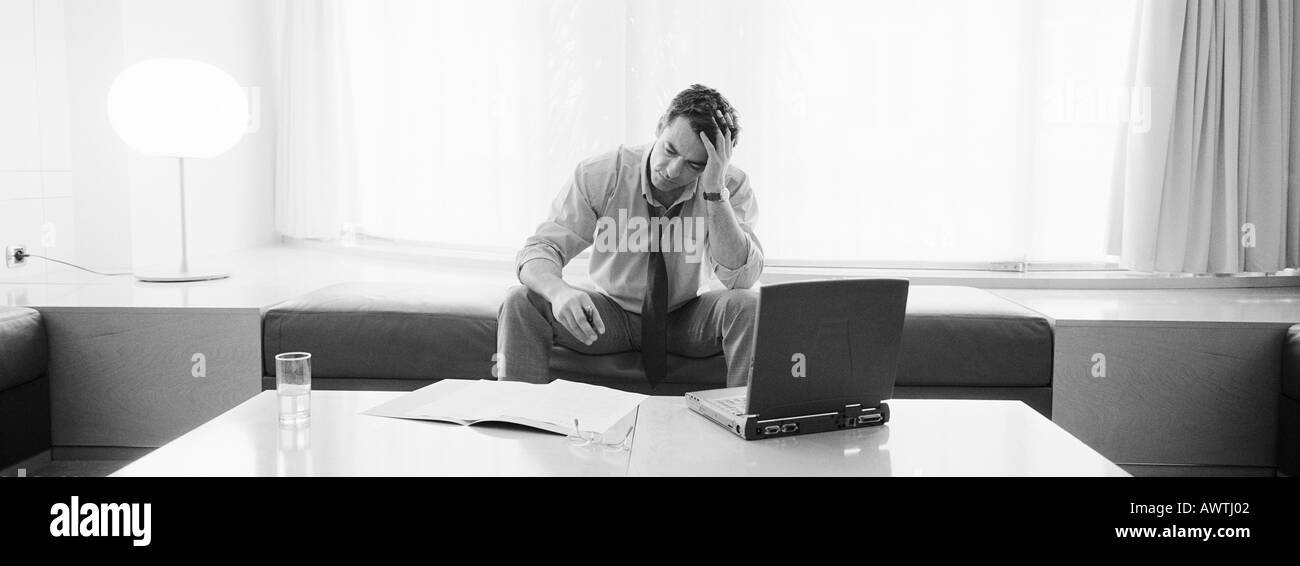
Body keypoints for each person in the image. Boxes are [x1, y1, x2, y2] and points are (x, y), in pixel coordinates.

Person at [497, 84, 763, 389]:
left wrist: (715, 192)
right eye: (670, 150)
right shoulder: (602, 174)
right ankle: (518, 416)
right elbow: (540, 249)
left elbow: (740, 279)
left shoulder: (730, 186)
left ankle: (743, 426)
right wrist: (559, 292)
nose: (674, 171)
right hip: (609, 315)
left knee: (749, 306)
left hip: (686, 317)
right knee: (521, 300)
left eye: (694, 164)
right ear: (661, 126)